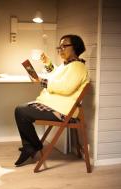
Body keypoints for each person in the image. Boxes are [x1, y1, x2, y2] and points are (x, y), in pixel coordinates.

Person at [14, 34, 90, 166]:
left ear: (75, 47)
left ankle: (32, 146)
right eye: (59, 46)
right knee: (22, 111)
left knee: (21, 111)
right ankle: (31, 145)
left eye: (64, 46)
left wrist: (41, 81)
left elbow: (65, 87)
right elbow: (56, 75)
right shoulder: (68, 65)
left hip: (62, 112)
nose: (60, 49)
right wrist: (47, 62)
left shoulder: (78, 67)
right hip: (53, 106)